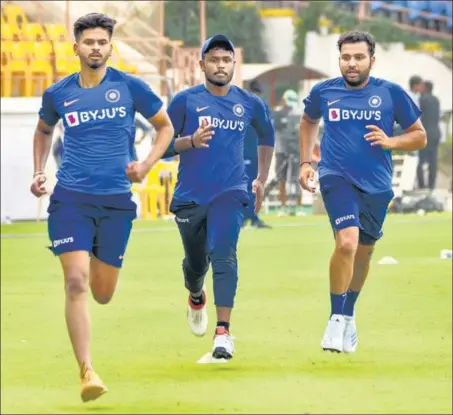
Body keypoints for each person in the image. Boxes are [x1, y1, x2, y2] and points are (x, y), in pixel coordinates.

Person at [29, 13, 174, 402]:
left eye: (102, 42)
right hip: (70, 199)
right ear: (75, 47)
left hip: (115, 203)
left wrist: (145, 165)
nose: (96, 47)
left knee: (102, 292)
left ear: (110, 47)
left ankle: (93, 250)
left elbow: (166, 127)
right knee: (75, 281)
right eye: (89, 41)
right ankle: (86, 371)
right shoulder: (59, 93)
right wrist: (39, 171)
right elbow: (43, 130)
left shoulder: (130, 87)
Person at [299, 30, 426, 354]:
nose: (351, 63)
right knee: (347, 243)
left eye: (358, 57)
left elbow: (419, 136)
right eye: (345, 57)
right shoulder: (324, 92)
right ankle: (335, 318)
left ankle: (349, 312)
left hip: (377, 184)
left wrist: (391, 141)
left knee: (364, 253)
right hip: (335, 176)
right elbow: (308, 121)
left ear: (372, 60)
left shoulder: (391, 94)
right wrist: (305, 161)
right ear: (339, 59)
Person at [161, 34, 275, 360]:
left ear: (234, 65)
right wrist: (191, 142)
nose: (221, 65)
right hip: (191, 197)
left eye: (226, 60)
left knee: (225, 254)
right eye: (214, 59)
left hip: (232, 192)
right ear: (202, 64)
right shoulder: (185, 101)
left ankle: (223, 332)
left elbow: (267, 133)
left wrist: (261, 179)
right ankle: (196, 295)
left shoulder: (249, 103)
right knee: (196, 266)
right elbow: (163, 146)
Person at [242, 80, 272, 228]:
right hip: (254, 152)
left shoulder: (241, 105)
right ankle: (250, 218)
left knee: (246, 185)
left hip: (246, 152)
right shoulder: (262, 106)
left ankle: (246, 217)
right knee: (252, 185)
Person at [274, 90, 303, 216]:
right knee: (282, 179)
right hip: (281, 150)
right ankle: (283, 206)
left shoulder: (297, 113)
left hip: (296, 150)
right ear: (283, 100)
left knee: (297, 178)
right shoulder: (277, 114)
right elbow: (282, 131)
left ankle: (298, 207)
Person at [417, 81, 441, 190]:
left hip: (425, 134)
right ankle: (431, 186)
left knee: (421, 160)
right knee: (433, 161)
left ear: (425, 88)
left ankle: (422, 186)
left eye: (421, 87)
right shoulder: (436, 100)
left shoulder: (422, 100)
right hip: (435, 133)